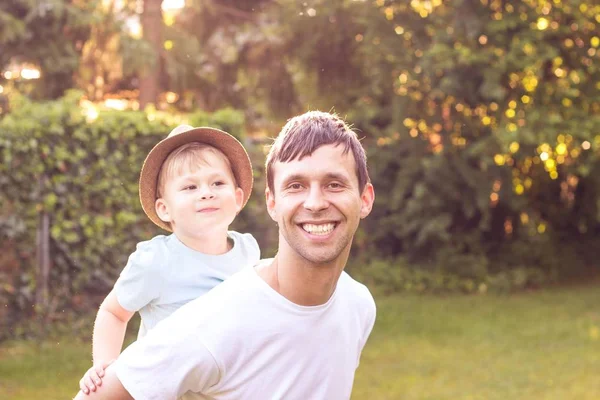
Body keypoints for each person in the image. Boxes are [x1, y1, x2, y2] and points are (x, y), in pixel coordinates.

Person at [73, 110, 376, 400]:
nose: (315, 202)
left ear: (365, 199)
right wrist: (105, 365)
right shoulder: (201, 317)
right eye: (296, 185)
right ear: (271, 202)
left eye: (334, 184)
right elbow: (114, 314)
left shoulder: (357, 306)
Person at [78, 125, 260, 395]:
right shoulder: (157, 261)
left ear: (237, 198)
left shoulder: (248, 251)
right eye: (190, 187)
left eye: (217, 183)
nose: (206, 192)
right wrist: (105, 365)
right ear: (165, 209)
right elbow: (114, 312)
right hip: (165, 388)